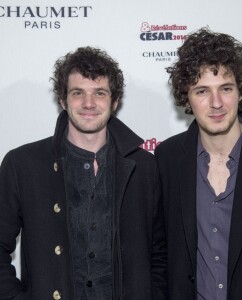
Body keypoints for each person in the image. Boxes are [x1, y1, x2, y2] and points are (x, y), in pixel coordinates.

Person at [0, 46, 166, 300]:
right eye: (78, 93)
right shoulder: (23, 165)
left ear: (115, 100)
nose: (89, 104)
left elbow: (160, 253)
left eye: (99, 93)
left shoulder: (144, 167)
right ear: (63, 100)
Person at [155, 27, 242, 300]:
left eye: (226, 88)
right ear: (186, 97)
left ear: (240, 91)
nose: (216, 103)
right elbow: (160, 256)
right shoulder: (168, 159)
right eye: (202, 91)